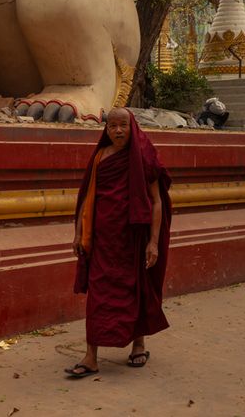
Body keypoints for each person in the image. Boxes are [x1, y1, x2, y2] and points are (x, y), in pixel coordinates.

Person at [65, 107, 173, 378]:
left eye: (123, 125)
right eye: (112, 126)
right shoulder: (101, 157)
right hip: (103, 240)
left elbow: (157, 201)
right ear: (106, 129)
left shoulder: (143, 156)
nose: (118, 131)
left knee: (137, 291)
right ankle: (91, 357)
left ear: (132, 126)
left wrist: (153, 242)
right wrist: (79, 233)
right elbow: (87, 199)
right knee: (98, 297)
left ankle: (138, 345)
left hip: (134, 239)